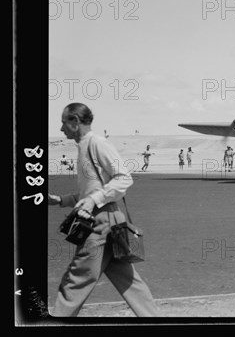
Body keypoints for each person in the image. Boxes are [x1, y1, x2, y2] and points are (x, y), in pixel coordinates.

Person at [48, 103, 158, 317]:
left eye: (64, 122)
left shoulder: (97, 144)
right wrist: (61, 200)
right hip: (109, 222)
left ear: (75, 121)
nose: (61, 129)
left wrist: (92, 201)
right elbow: (91, 192)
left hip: (100, 224)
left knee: (76, 280)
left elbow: (124, 178)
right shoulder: (84, 147)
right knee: (130, 282)